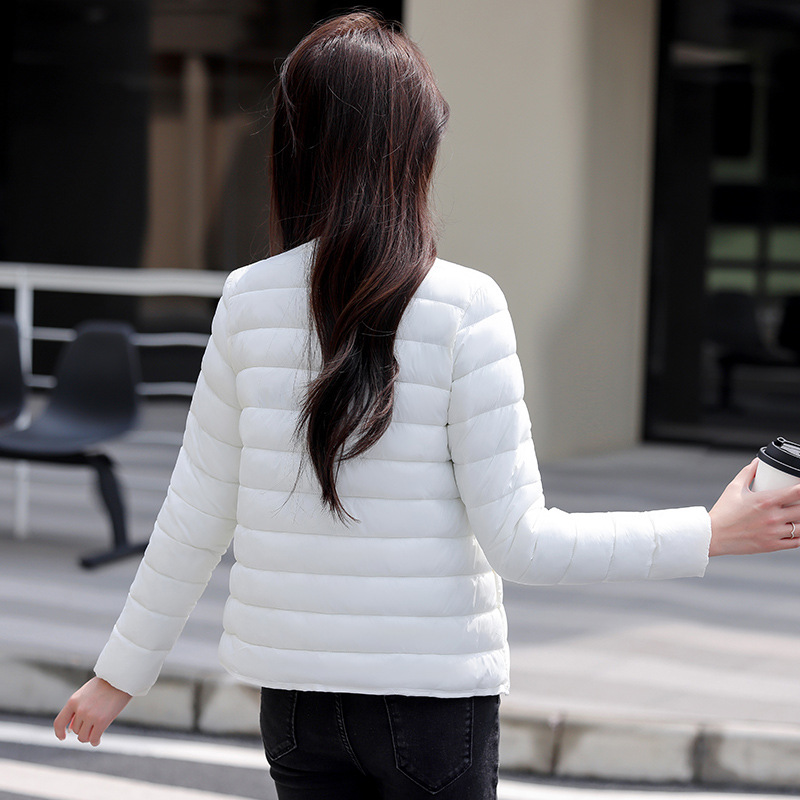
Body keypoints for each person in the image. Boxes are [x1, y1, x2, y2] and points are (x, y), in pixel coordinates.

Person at [53, 10, 800, 800]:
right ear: (414, 149)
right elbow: (524, 545)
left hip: (296, 706)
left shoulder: (246, 300)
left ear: (294, 148)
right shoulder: (465, 307)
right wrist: (708, 532)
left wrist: (118, 675)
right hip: (432, 708)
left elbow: (192, 517)